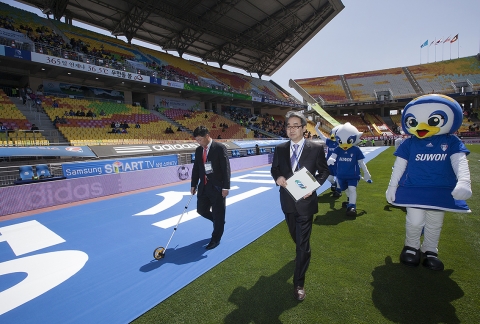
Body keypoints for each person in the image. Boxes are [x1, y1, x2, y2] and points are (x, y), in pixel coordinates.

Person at [270, 111, 330, 301]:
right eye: (288, 126)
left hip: (306, 203)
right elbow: (275, 168)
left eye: (296, 126)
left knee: (302, 245)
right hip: (287, 202)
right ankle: (302, 252)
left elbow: (324, 171)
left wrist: (313, 187)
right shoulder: (280, 148)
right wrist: (277, 177)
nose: (291, 129)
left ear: (304, 128)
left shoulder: (316, 148)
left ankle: (299, 284)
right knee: (295, 236)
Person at [191, 126, 231, 250]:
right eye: (197, 140)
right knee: (201, 210)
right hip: (203, 186)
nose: (199, 142)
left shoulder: (219, 148)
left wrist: (226, 187)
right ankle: (218, 222)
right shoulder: (198, 150)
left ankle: (215, 239)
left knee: (219, 213)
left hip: (217, 187)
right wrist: (193, 184)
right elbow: (196, 168)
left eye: (200, 139)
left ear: (207, 136)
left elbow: (226, 169)